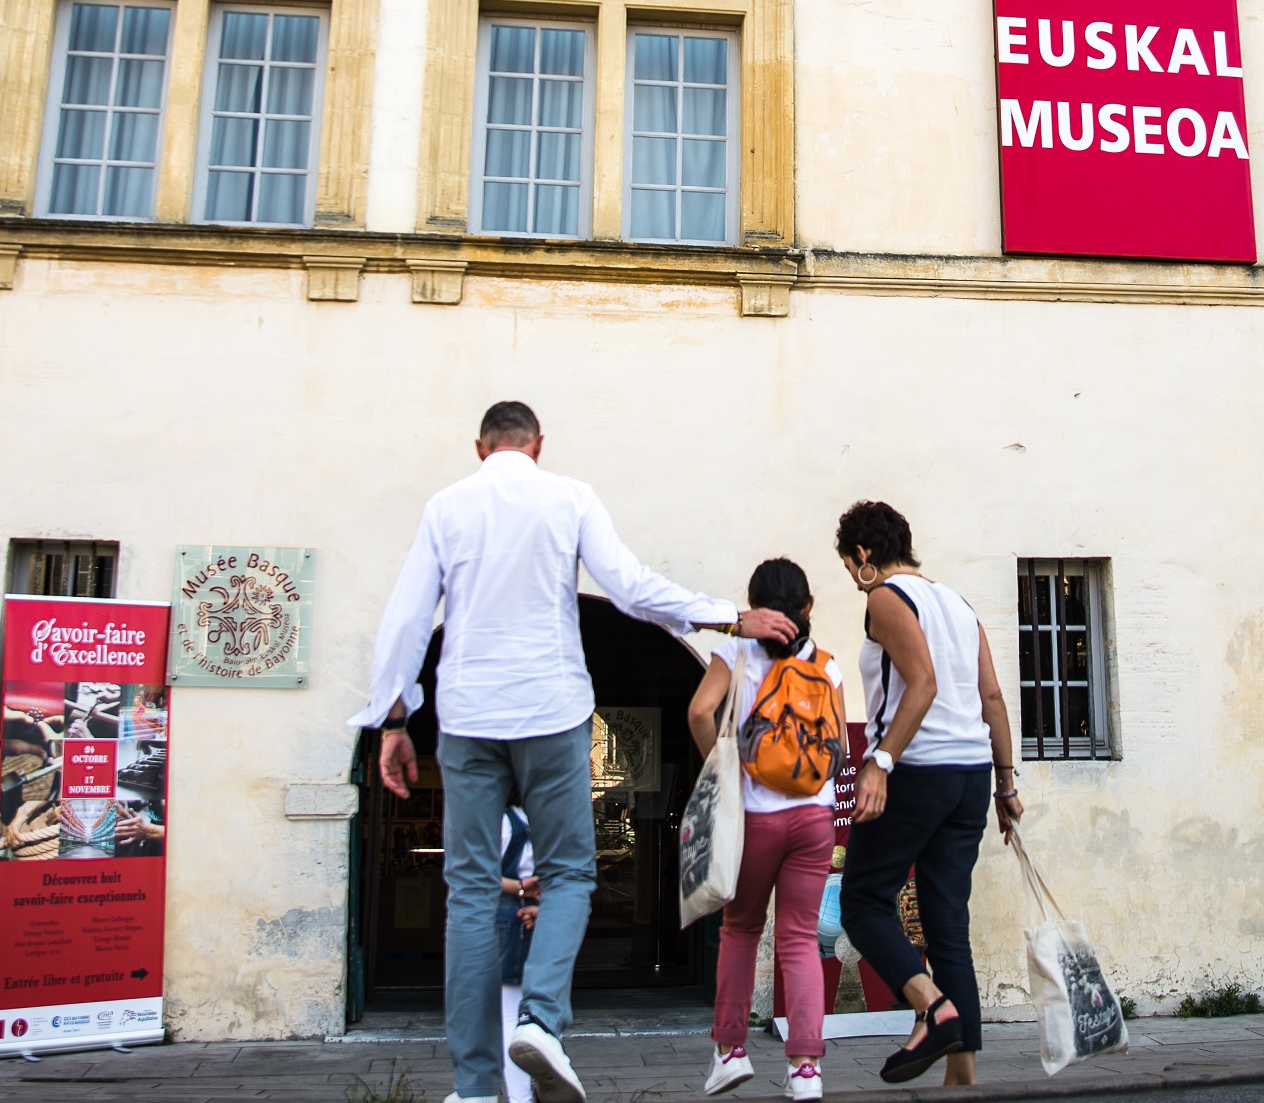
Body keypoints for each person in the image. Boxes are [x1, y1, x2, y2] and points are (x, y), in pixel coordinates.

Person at [350, 401, 798, 1103]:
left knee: (468, 893)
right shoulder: (570, 498)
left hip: (467, 714)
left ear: (480, 447)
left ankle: (473, 1087)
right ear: (537, 445)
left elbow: (406, 616)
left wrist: (394, 720)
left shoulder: (446, 506)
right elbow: (629, 589)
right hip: (551, 710)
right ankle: (542, 1023)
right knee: (568, 876)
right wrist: (728, 616)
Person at [833, 501, 1022, 1088]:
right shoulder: (960, 605)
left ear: (862, 555)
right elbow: (991, 697)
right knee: (947, 925)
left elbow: (923, 682)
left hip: (917, 771)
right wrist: (1005, 784)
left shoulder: (886, 598)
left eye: (848, 564)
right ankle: (962, 1081)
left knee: (863, 902)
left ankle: (933, 1009)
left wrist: (880, 763)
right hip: (968, 778)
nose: (851, 575)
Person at [688, 559, 845, 1102]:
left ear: (754, 607)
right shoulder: (827, 664)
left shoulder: (734, 650)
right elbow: (840, 748)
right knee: (800, 938)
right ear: (808, 608)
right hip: (814, 816)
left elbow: (699, 712)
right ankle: (806, 1068)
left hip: (755, 816)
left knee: (740, 930)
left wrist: (725, 772)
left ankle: (730, 1051)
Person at [499, 804, 539, 1103]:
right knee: (528, 1009)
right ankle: (523, 1095)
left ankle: (521, 1097)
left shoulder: (502, 816)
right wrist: (528, 890)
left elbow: (475, 873)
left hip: (511, 916)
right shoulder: (536, 815)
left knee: (511, 1013)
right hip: (522, 917)